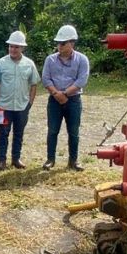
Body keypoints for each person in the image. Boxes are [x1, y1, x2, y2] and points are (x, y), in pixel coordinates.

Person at [41, 25, 90, 171]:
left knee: (73, 132)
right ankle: (50, 159)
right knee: (52, 130)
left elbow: (82, 80)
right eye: (58, 43)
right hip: (54, 100)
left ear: (72, 43)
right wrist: (57, 94)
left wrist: (65, 94)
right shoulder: (50, 60)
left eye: (63, 43)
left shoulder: (82, 59)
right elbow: (45, 79)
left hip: (73, 100)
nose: (59, 46)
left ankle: (73, 161)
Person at [0, 30, 40, 170]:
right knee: (3, 134)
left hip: (22, 107)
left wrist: (29, 103)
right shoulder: (0, 63)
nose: (13, 49)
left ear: (22, 48)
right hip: (2, 107)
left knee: (19, 133)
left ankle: (16, 159)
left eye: (16, 47)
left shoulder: (29, 64)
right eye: (11, 46)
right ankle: (1, 161)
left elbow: (34, 84)